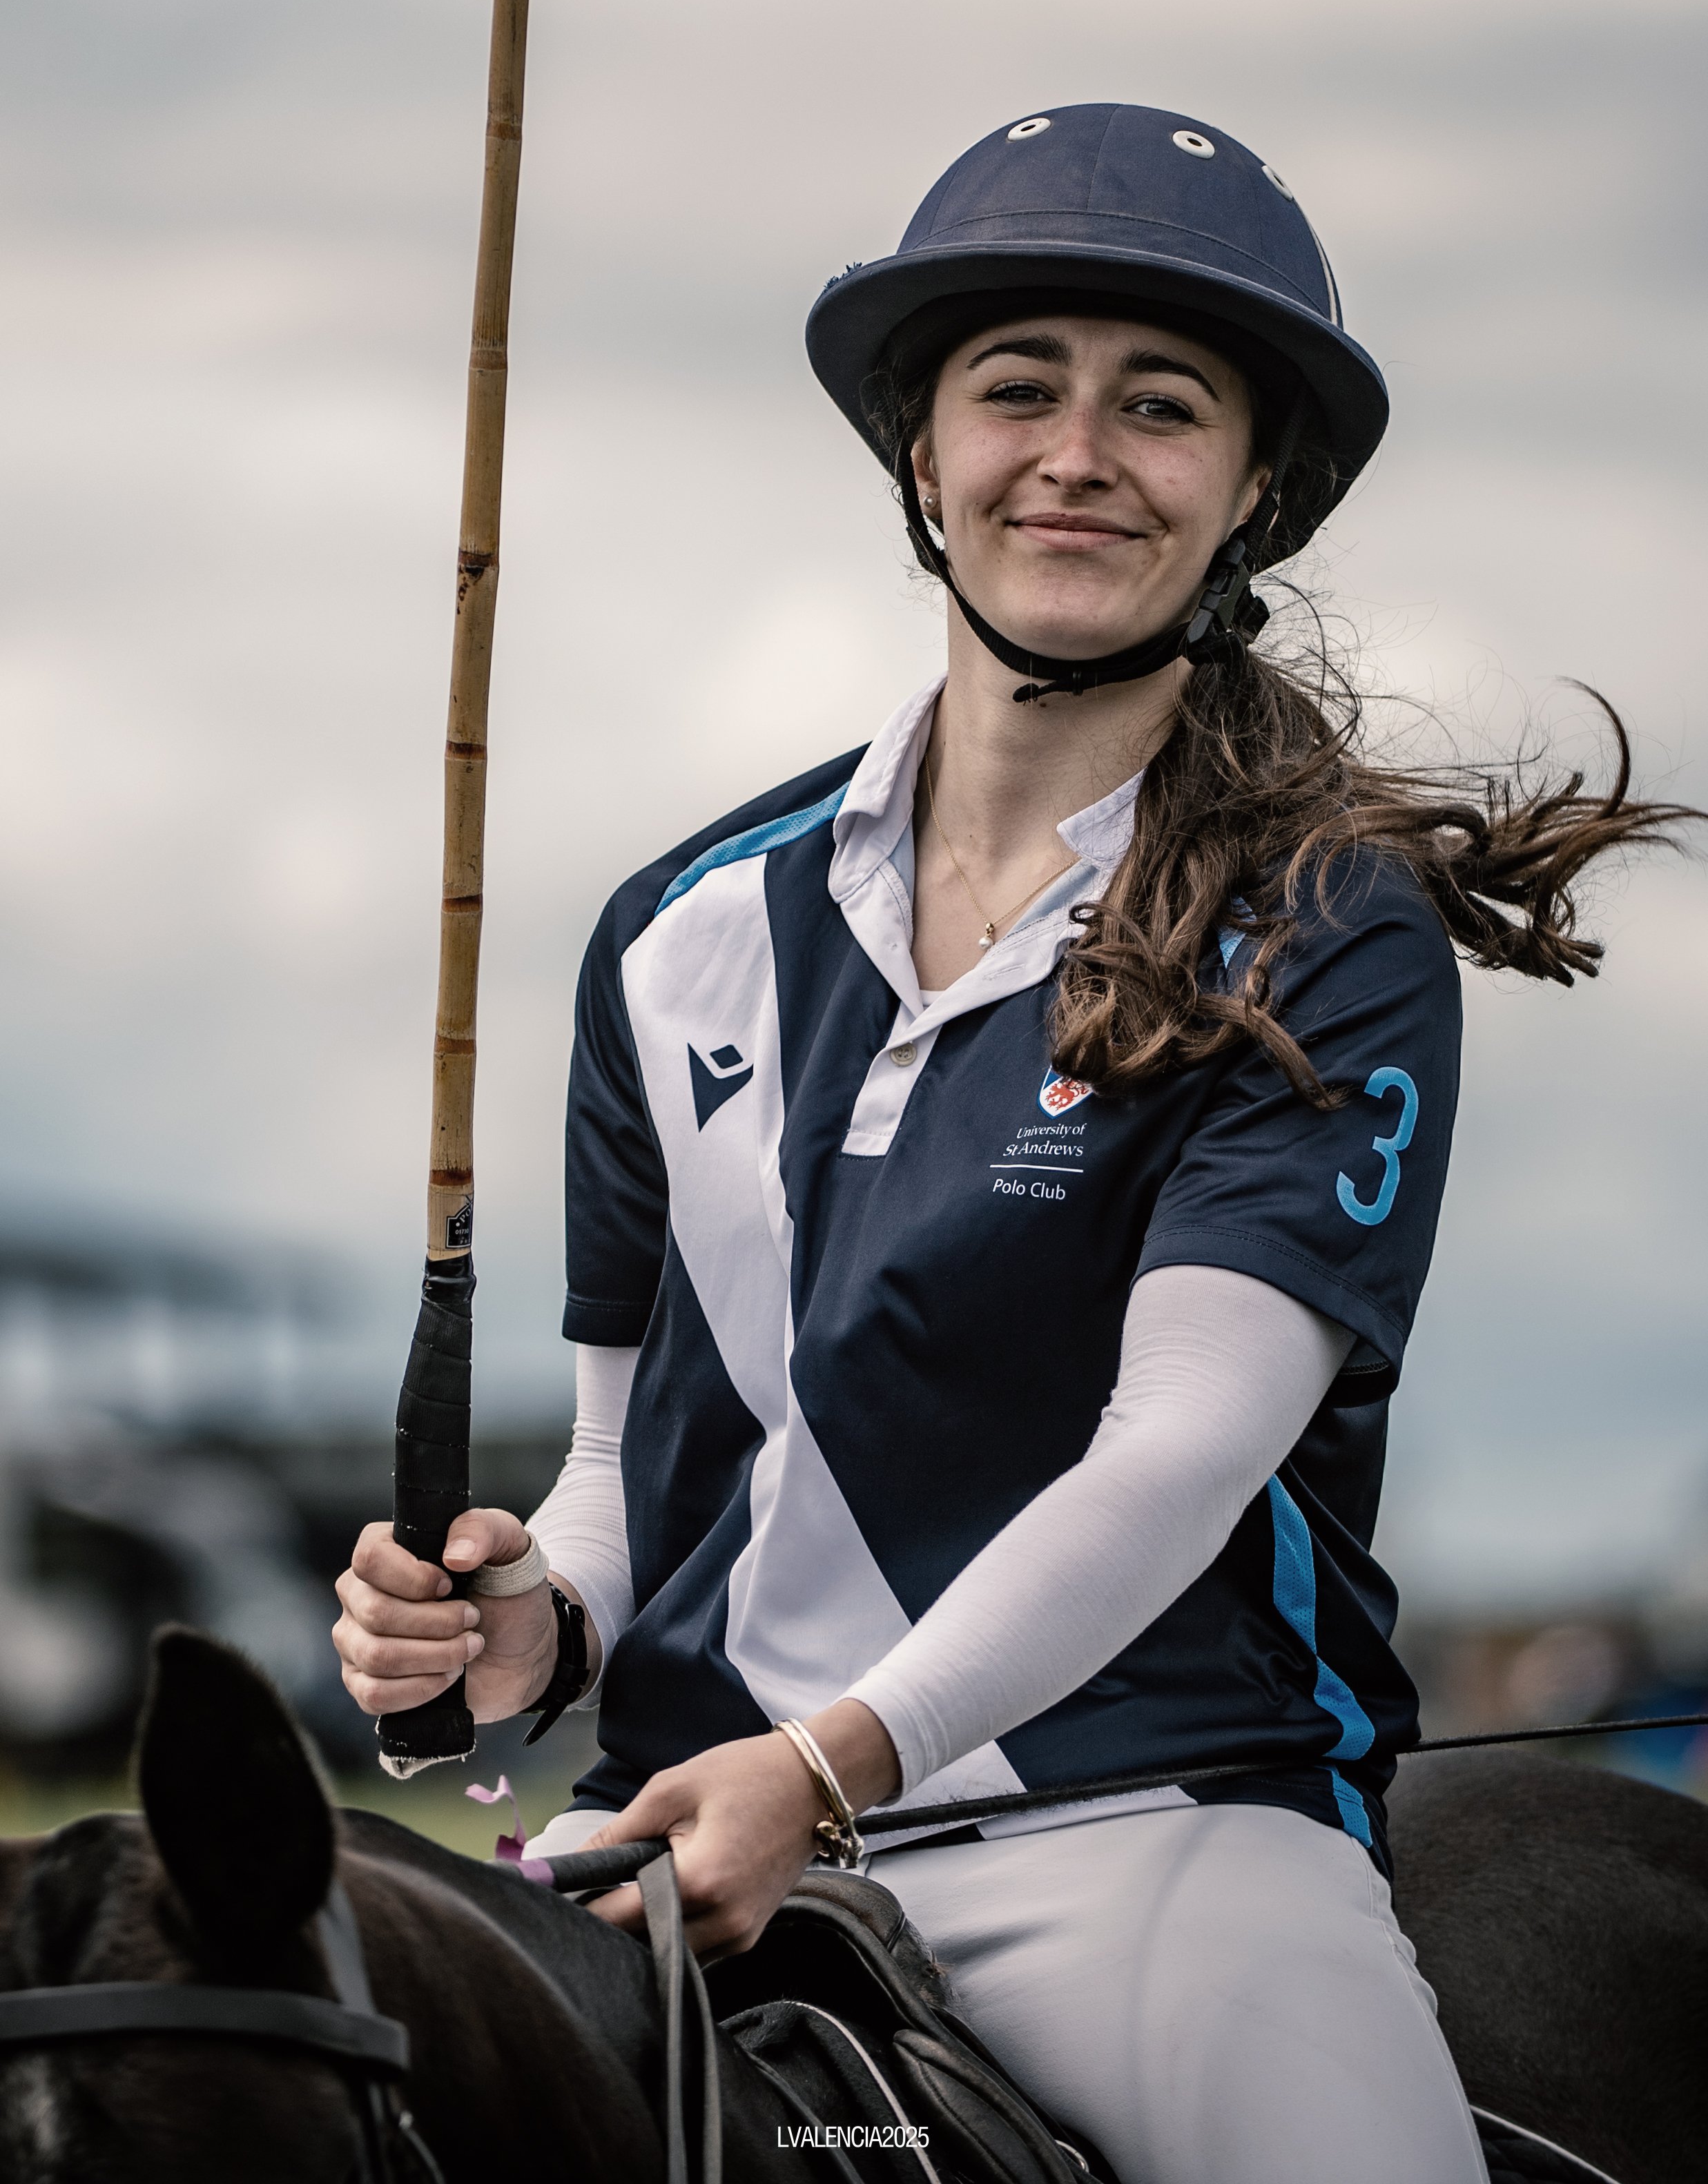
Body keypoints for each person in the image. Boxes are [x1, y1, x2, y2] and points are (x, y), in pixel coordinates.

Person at [335, 104, 1685, 2184]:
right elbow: (631, 1462)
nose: (1076, 453)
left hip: (1142, 1844)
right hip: (673, 1843)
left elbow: (1176, 1457)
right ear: (920, 452)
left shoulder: (1323, 931)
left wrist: (828, 1765)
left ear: (1254, 490)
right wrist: (540, 1626)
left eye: (1160, 406)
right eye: (1016, 388)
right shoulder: (681, 929)